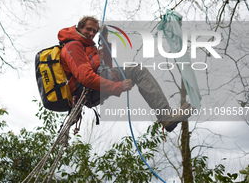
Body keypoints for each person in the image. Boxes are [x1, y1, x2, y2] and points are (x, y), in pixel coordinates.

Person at [58, 16, 192, 132]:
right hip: (87, 90)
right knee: (137, 70)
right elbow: (86, 77)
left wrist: (105, 40)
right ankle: (166, 115)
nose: (91, 33)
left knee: (137, 70)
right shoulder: (73, 46)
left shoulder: (86, 47)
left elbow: (105, 68)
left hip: (92, 88)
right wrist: (118, 86)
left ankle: (166, 115)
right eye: (88, 29)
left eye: (94, 30)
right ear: (80, 28)